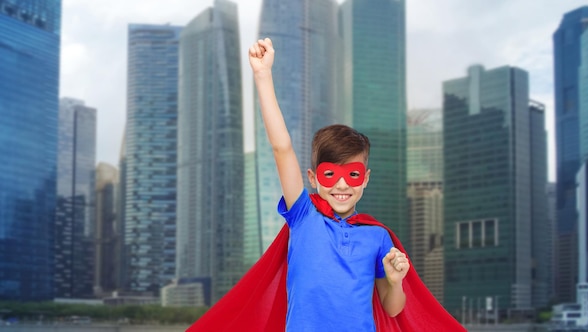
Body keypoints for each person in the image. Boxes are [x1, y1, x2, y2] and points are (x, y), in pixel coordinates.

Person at [186, 38, 466, 332]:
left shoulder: (378, 237)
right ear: (312, 177)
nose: (342, 184)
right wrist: (262, 75)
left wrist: (395, 282)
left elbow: (392, 307)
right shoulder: (303, 217)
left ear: (366, 179)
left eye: (353, 174)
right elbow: (282, 147)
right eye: (331, 173)